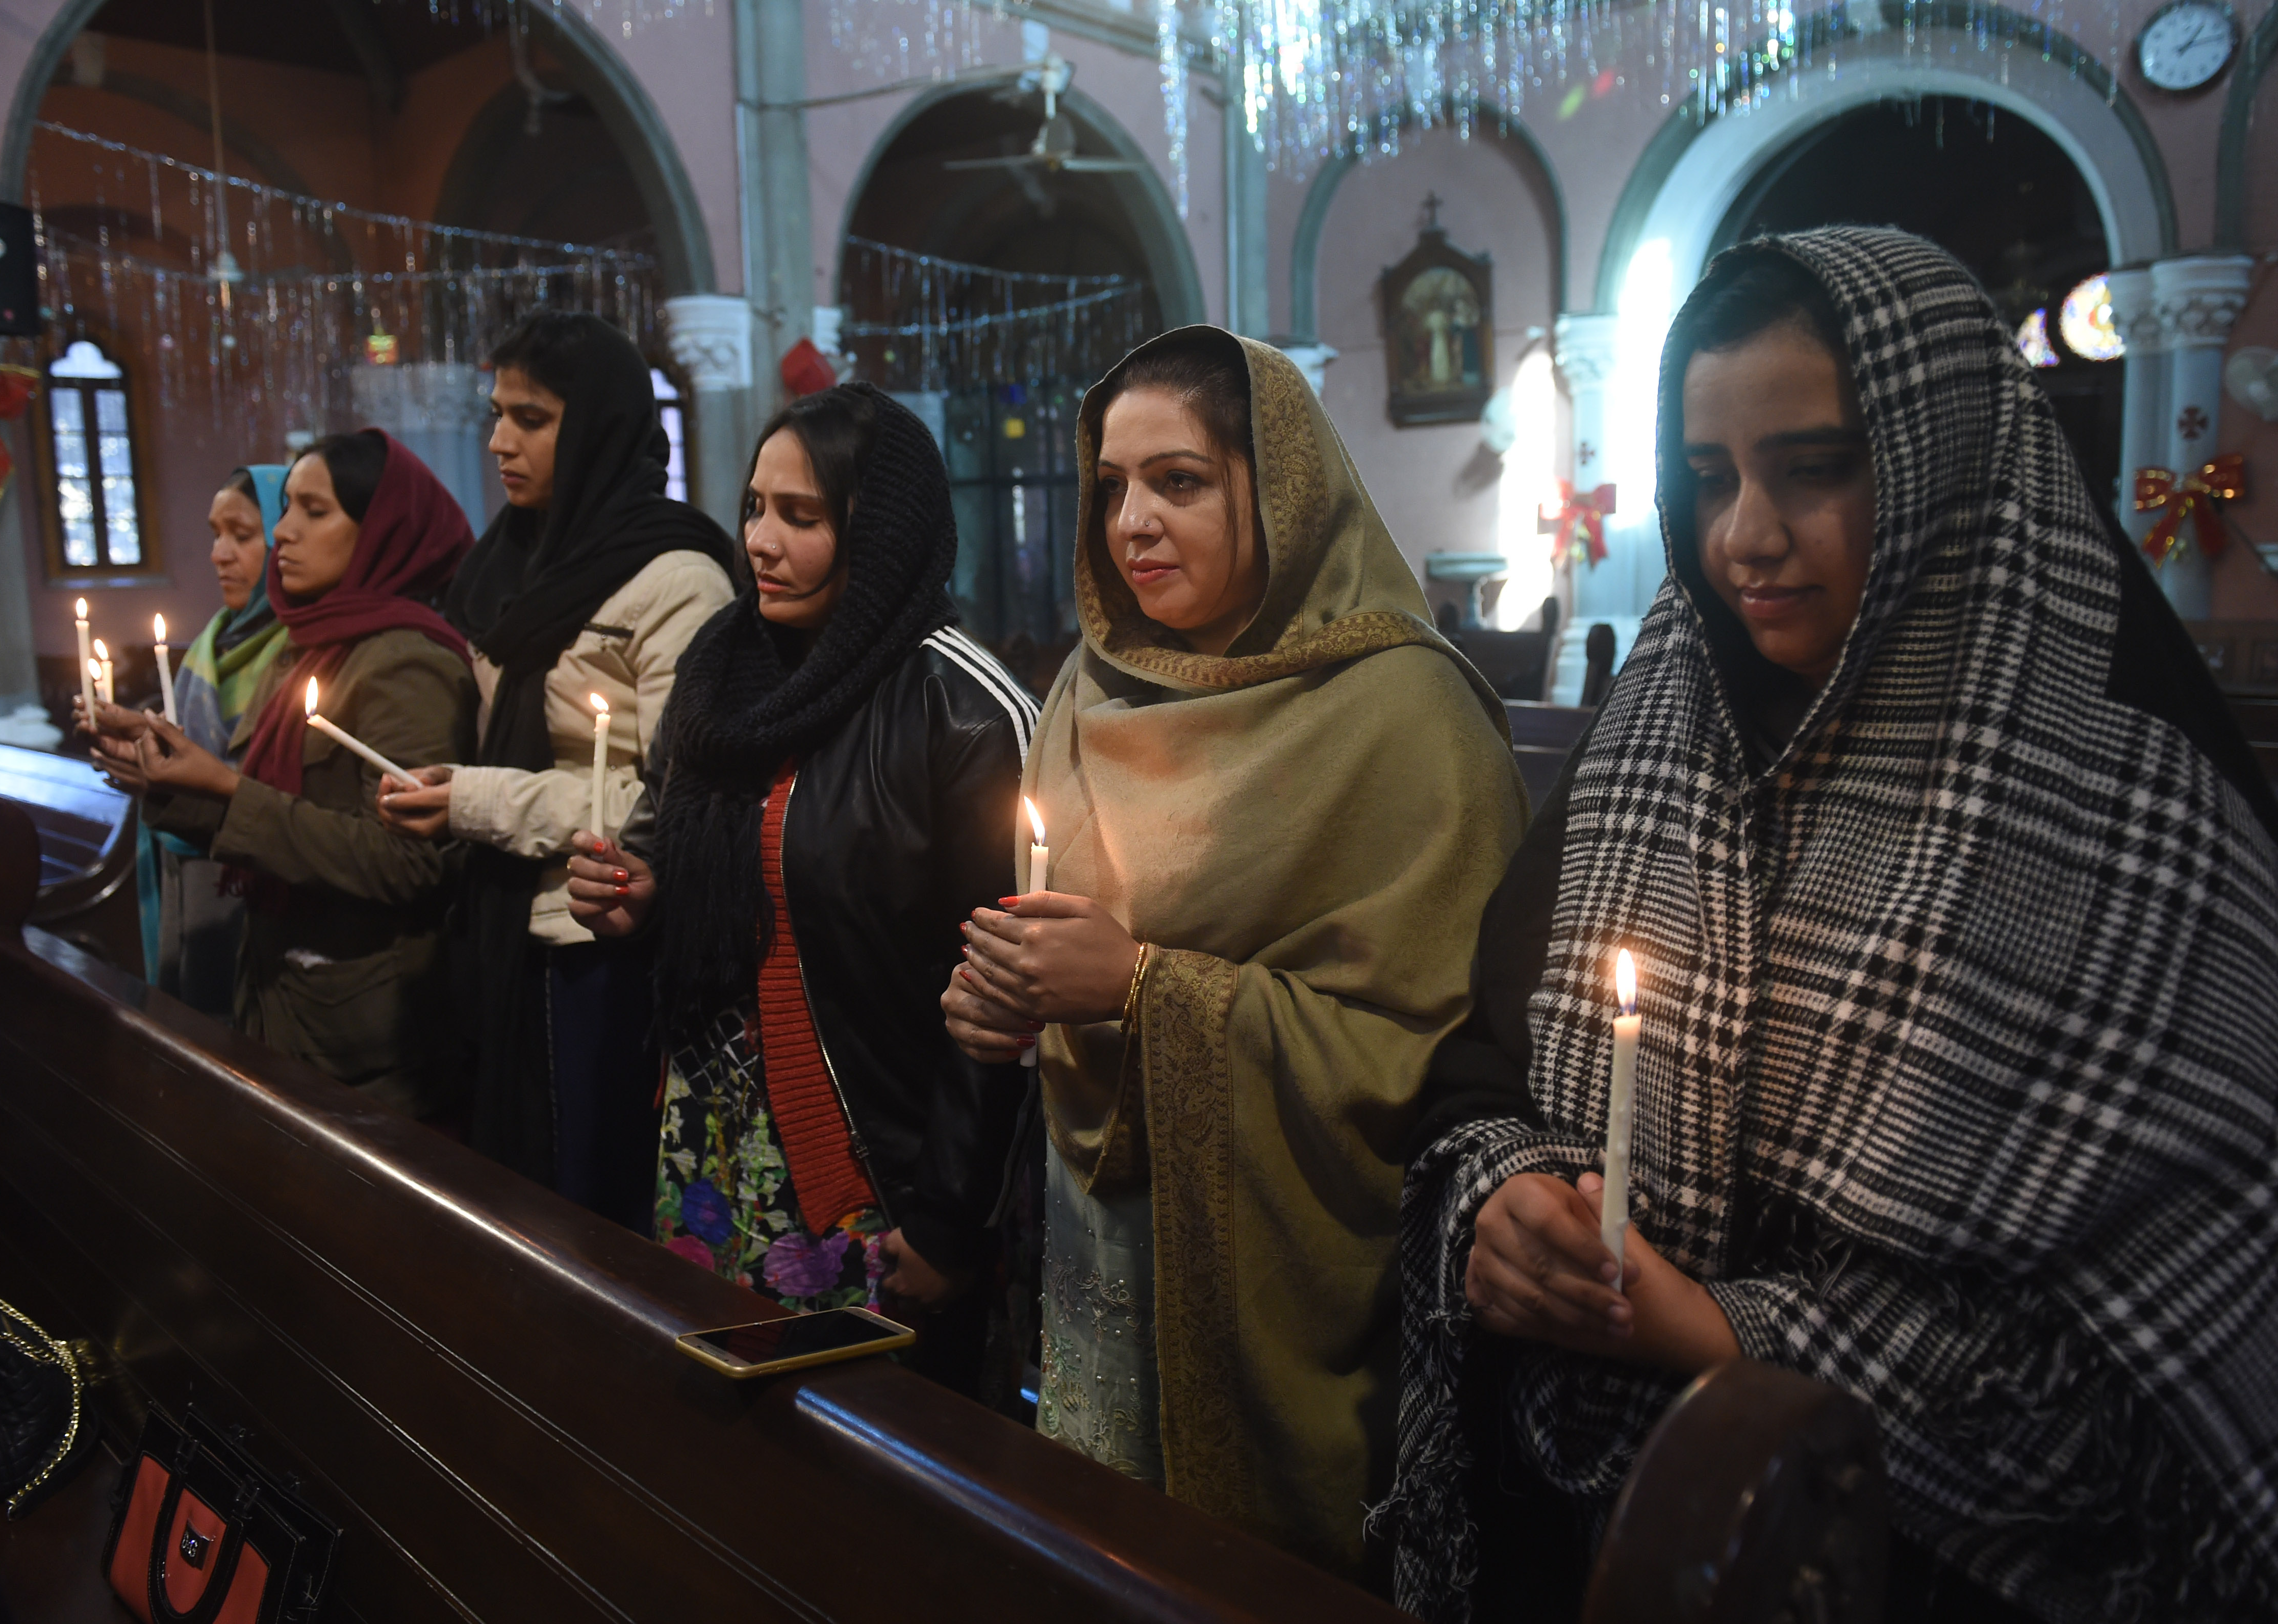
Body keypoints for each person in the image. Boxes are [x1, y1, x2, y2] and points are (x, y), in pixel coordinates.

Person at [1381, 230, 2278, 1624]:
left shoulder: (2122, 817)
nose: (1747, 533)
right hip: (1603, 1524)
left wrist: (1730, 1336)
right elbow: (1485, 1074)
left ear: (1944, 464)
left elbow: (2140, 1398)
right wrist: (1504, 1204)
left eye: (1813, 468)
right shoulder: (1654, 746)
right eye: (1708, 478)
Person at [941, 326, 1530, 1578]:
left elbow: (1432, 1062)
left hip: (1290, 1276)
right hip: (1088, 1242)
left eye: (1180, 481)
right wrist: (1008, 1005)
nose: (1132, 522)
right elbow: (1058, 959)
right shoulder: (1087, 694)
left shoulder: (1405, 717)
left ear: (1284, 489)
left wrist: (1144, 987)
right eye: (1109, 486)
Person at [566, 383, 1039, 1396]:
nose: (760, 544)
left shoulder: (959, 709)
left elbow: (1004, 996)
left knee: (880, 1464)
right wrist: (637, 891)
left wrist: (950, 1216)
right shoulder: (722, 665)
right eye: (753, 507)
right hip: (713, 1142)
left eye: (801, 516)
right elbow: (687, 858)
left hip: (869, 1169)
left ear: (878, 531)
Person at [374, 312, 734, 1226]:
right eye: (496, 413)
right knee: (514, 1188)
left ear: (599, 424)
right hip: (499, 917)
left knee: (586, 1192)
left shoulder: (675, 575)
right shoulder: (510, 561)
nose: (498, 440)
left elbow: (668, 796)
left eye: (530, 418)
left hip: (596, 936)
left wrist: (474, 798)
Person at [88, 431, 478, 1118]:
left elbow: (410, 863)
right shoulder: (303, 648)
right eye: (287, 509)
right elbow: (269, 820)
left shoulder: (407, 663)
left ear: (381, 530)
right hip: (282, 997)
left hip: (367, 1029)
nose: (285, 533)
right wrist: (168, 782)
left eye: (314, 511)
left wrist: (228, 788)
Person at [134, 464, 291, 1015]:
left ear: (281, 537)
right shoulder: (211, 644)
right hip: (191, 872)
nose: (219, 553)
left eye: (242, 536)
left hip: (261, 888)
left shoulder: (302, 649)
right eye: (215, 534)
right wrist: (137, 741)